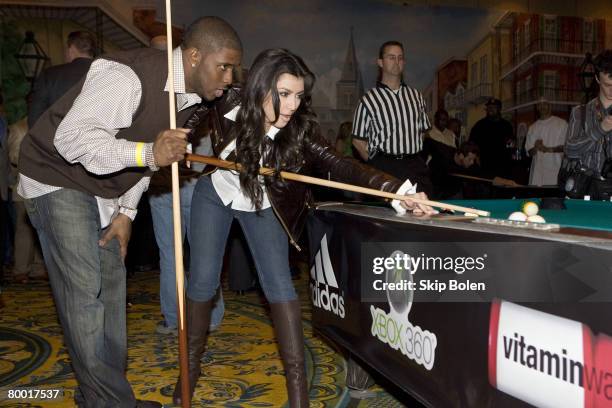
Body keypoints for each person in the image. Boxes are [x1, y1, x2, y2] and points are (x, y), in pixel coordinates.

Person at [172, 48, 435, 407]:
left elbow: (343, 166)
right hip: (214, 195)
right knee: (202, 281)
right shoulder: (229, 99)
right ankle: (189, 371)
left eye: (298, 95)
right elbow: (188, 112)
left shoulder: (299, 130)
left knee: (280, 287)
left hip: (263, 205)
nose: (292, 105)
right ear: (262, 87)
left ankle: (299, 395)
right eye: (284, 94)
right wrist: (175, 137)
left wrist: (398, 191)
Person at [17, 16, 242, 408]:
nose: (228, 77)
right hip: (55, 177)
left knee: (111, 290)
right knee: (86, 293)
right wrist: (147, 153)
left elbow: (152, 162)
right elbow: (72, 139)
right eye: (223, 66)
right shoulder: (128, 76)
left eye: (232, 69)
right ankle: (112, 403)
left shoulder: (192, 102)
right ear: (193, 56)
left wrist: (126, 211)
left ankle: (102, 397)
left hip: (105, 192)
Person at [145, 34, 226, 336]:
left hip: (193, 182)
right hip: (162, 184)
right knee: (183, 253)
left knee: (193, 253)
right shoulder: (170, 91)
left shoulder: (195, 91)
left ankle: (200, 317)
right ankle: (180, 317)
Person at [351, 40, 433, 195]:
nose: (397, 62)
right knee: (385, 215)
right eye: (391, 57)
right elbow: (357, 140)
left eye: (400, 58)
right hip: (385, 167)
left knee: (423, 211)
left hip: (414, 165)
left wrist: (409, 149)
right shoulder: (368, 99)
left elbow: (423, 132)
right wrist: (375, 163)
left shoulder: (416, 96)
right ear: (380, 62)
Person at [8, 95, 47, 283]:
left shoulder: (48, 124)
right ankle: (21, 269)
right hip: (23, 187)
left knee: (42, 229)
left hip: (45, 186)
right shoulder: (18, 128)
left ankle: (39, 268)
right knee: (23, 231)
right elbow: (13, 157)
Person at [564, 50, 612, 199]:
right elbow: (570, 150)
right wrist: (600, 129)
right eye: (607, 84)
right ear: (597, 79)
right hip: (586, 190)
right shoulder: (580, 112)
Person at [28, 31, 96, 128]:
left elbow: (35, 118)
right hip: (99, 141)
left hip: (57, 140)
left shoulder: (50, 75)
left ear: (71, 49)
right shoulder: (109, 76)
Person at [525, 98, 567, 186]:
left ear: (550, 106)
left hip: (556, 173)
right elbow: (529, 152)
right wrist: (536, 147)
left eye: (545, 104)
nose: (542, 107)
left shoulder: (562, 124)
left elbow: (566, 147)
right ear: (537, 107)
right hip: (537, 175)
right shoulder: (532, 127)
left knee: (553, 198)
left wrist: (547, 149)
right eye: (540, 104)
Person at [469, 98, 514, 178]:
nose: (490, 109)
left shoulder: (506, 126)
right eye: (489, 107)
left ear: (499, 109)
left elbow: (510, 145)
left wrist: (510, 146)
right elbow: (472, 143)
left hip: (502, 168)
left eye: (493, 107)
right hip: (484, 167)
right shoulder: (479, 125)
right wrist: (476, 157)